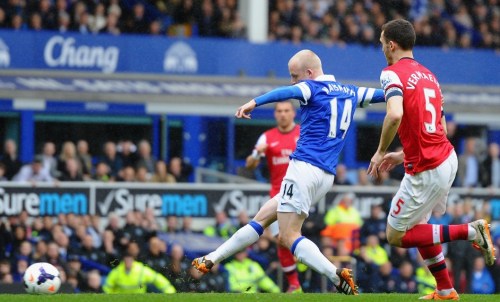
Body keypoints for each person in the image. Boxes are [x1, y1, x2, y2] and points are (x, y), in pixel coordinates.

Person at [192, 49, 387, 295]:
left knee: (287, 236)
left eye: (295, 76)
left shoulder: (312, 88)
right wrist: (412, 95)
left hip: (303, 168)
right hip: (325, 176)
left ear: (309, 73)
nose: (293, 81)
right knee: (262, 218)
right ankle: (210, 259)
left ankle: (335, 275)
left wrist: (254, 102)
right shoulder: (351, 91)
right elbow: (385, 95)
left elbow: (286, 92)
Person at [367, 19, 496, 300]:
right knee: (421, 227)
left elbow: (395, 114)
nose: (381, 48)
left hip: (427, 167)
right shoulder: (430, 76)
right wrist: (403, 154)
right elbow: (439, 124)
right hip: (445, 156)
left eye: (381, 42)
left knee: (395, 235)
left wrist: (379, 151)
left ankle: (472, 232)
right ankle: (446, 290)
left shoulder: (390, 73)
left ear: (391, 44)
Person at [245, 100, 302, 293]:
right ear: (275, 114)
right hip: (278, 194)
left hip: (302, 193)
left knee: (291, 238)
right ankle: (295, 284)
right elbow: (250, 165)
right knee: (282, 239)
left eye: (286, 110)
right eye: (279, 111)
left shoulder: (303, 134)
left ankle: (302, 279)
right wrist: (255, 156)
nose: (283, 114)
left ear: (293, 113)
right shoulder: (267, 138)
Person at [102, 253, 176, 294]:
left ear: (133, 260)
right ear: (123, 261)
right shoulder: (117, 271)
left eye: (130, 260)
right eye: (126, 261)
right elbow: (107, 287)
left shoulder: (141, 270)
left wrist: (170, 291)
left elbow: (157, 279)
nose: (128, 263)